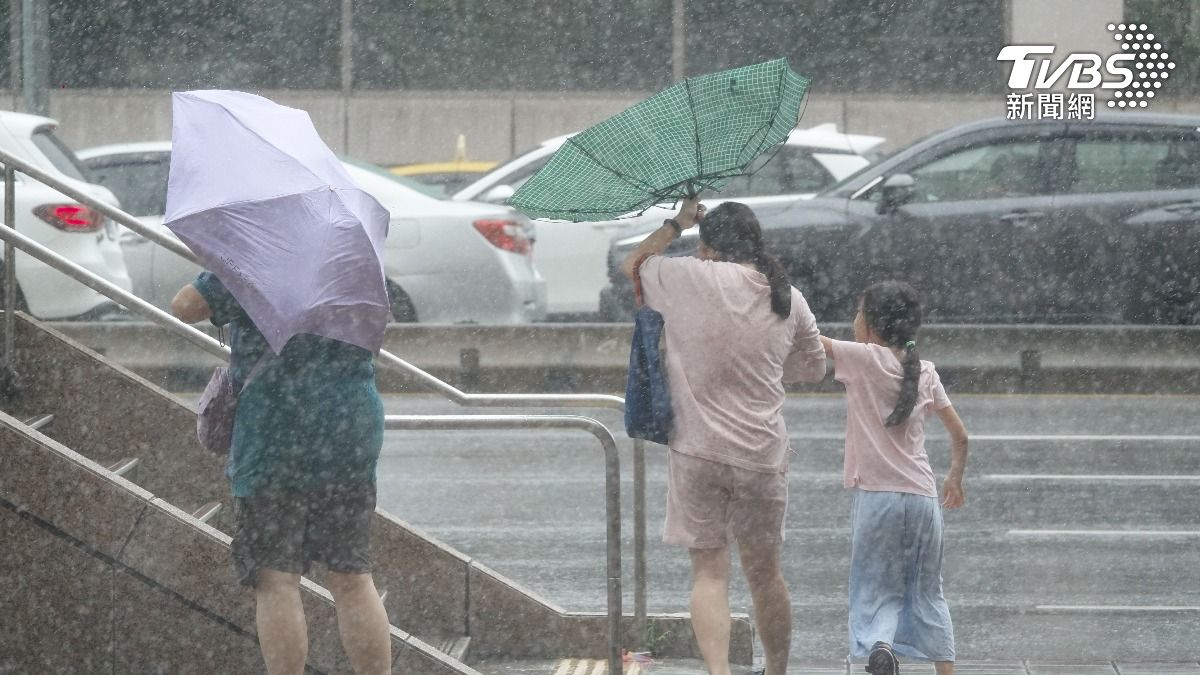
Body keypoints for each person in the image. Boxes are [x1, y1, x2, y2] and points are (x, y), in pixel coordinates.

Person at [621, 197, 827, 675]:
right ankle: (776, 670)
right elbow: (813, 367)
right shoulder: (789, 297)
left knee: (710, 573)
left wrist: (677, 223)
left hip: (698, 453)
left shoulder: (689, 279)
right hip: (761, 455)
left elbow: (632, 265)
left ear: (710, 247)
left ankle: (720, 673)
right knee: (765, 574)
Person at [172, 272, 391, 675]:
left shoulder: (259, 255)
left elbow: (184, 305)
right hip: (348, 429)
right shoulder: (353, 257)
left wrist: (225, 271)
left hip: (276, 433)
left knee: (276, 579)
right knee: (352, 575)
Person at [817, 281, 968, 675]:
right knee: (928, 591)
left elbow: (808, 338)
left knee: (875, 586)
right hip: (922, 498)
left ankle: (881, 646)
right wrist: (954, 477)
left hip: (877, 499)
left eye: (858, 312)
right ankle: (945, 670)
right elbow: (961, 435)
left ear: (872, 324)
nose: (854, 320)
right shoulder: (926, 370)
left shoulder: (864, 358)